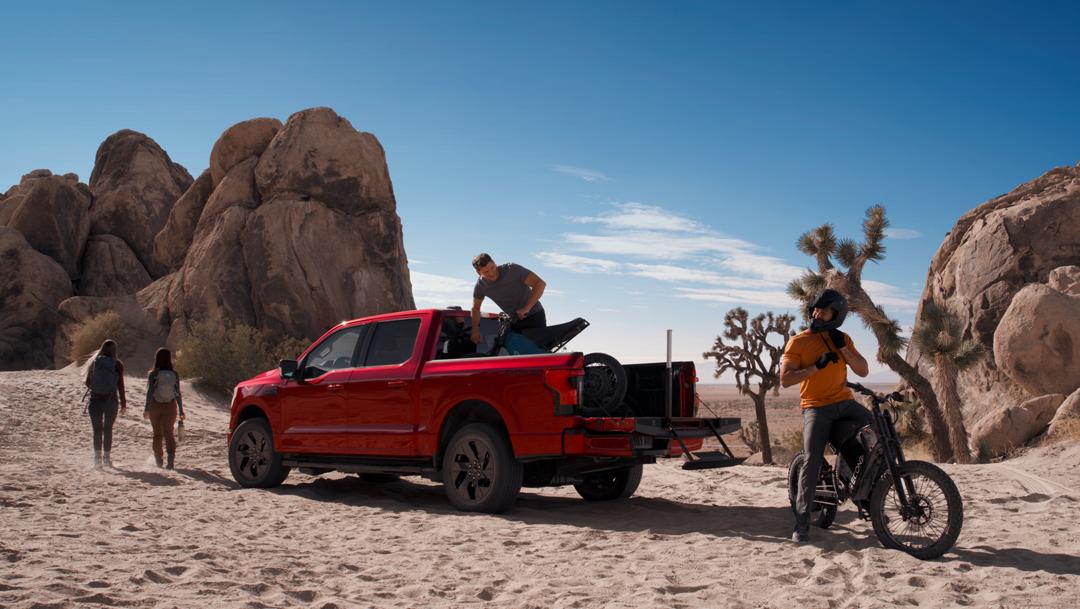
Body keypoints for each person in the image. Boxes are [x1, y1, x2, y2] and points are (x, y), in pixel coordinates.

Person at [780, 289, 870, 543]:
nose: (817, 314)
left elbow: (862, 371)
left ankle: (865, 492)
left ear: (835, 316)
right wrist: (815, 366)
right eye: (815, 310)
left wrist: (844, 350)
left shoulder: (843, 339)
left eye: (823, 311)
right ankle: (802, 524)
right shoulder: (798, 342)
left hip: (845, 403)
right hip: (816, 407)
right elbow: (785, 379)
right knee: (811, 460)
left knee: (878, 433)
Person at [470, 253, 547, 345]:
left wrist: (527, 308)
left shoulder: (512, 269)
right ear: (478, 273)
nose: (491, 273)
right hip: (514, 321)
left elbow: (540, 284)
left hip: (535, 316)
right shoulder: (480, 286)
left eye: (492, 268)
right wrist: (475, 329)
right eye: (486, 272)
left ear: (494, 262)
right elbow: (475, 309)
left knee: (538, 350)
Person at [84, 339, 127, 468]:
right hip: (111, 401)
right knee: (108, 429)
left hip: (95, 400)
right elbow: (120, 385)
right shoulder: (117, 364)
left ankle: (97, 460)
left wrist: (98, 386)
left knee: (97, 430)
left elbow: (87, 383)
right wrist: (123, 403)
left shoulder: (94, 362)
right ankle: (107, 459)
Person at [144, 347, 185, 469]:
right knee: (169, 433)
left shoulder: (153, 374)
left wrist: (146, 408)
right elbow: (177, 392)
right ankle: (171, 461)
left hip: (155, 406)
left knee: (157, 434)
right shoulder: (174, 374)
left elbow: (150, 391)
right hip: (170, 406)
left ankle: (159, 460)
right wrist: (181, 410)